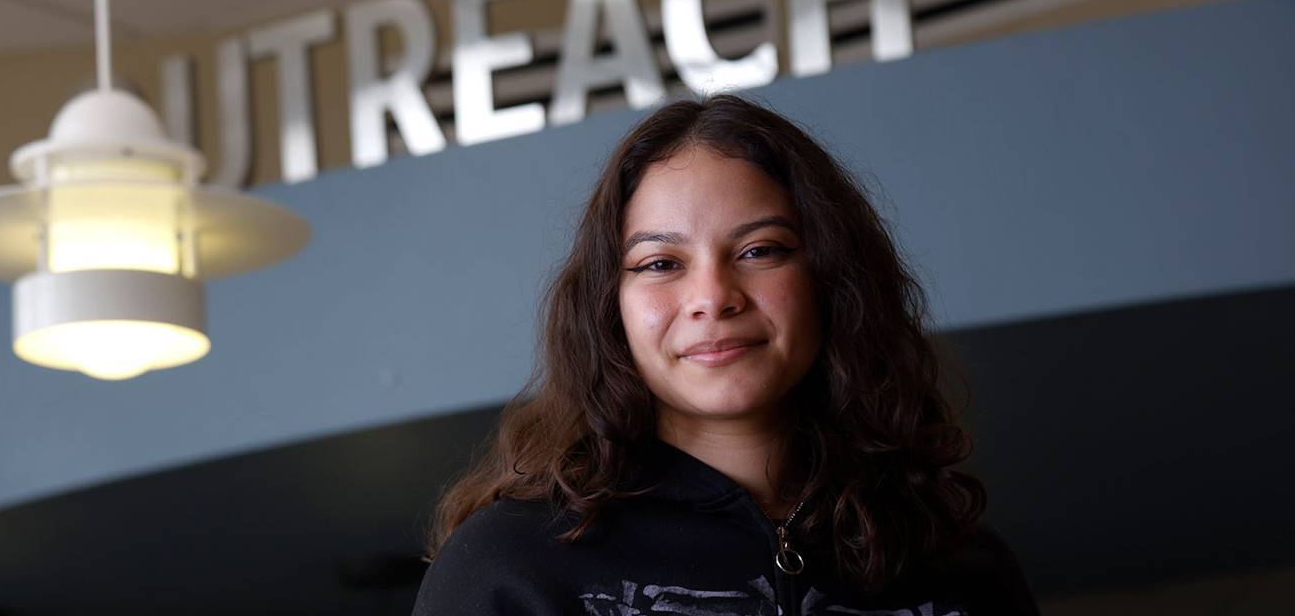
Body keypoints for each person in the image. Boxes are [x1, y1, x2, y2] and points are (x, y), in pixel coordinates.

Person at [411, 95, 1039, 615]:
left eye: (761, 250)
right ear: (610, 307)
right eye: (661, 264)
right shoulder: (509, 565)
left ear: (829, 278)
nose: (712, 297)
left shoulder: (962, 567)